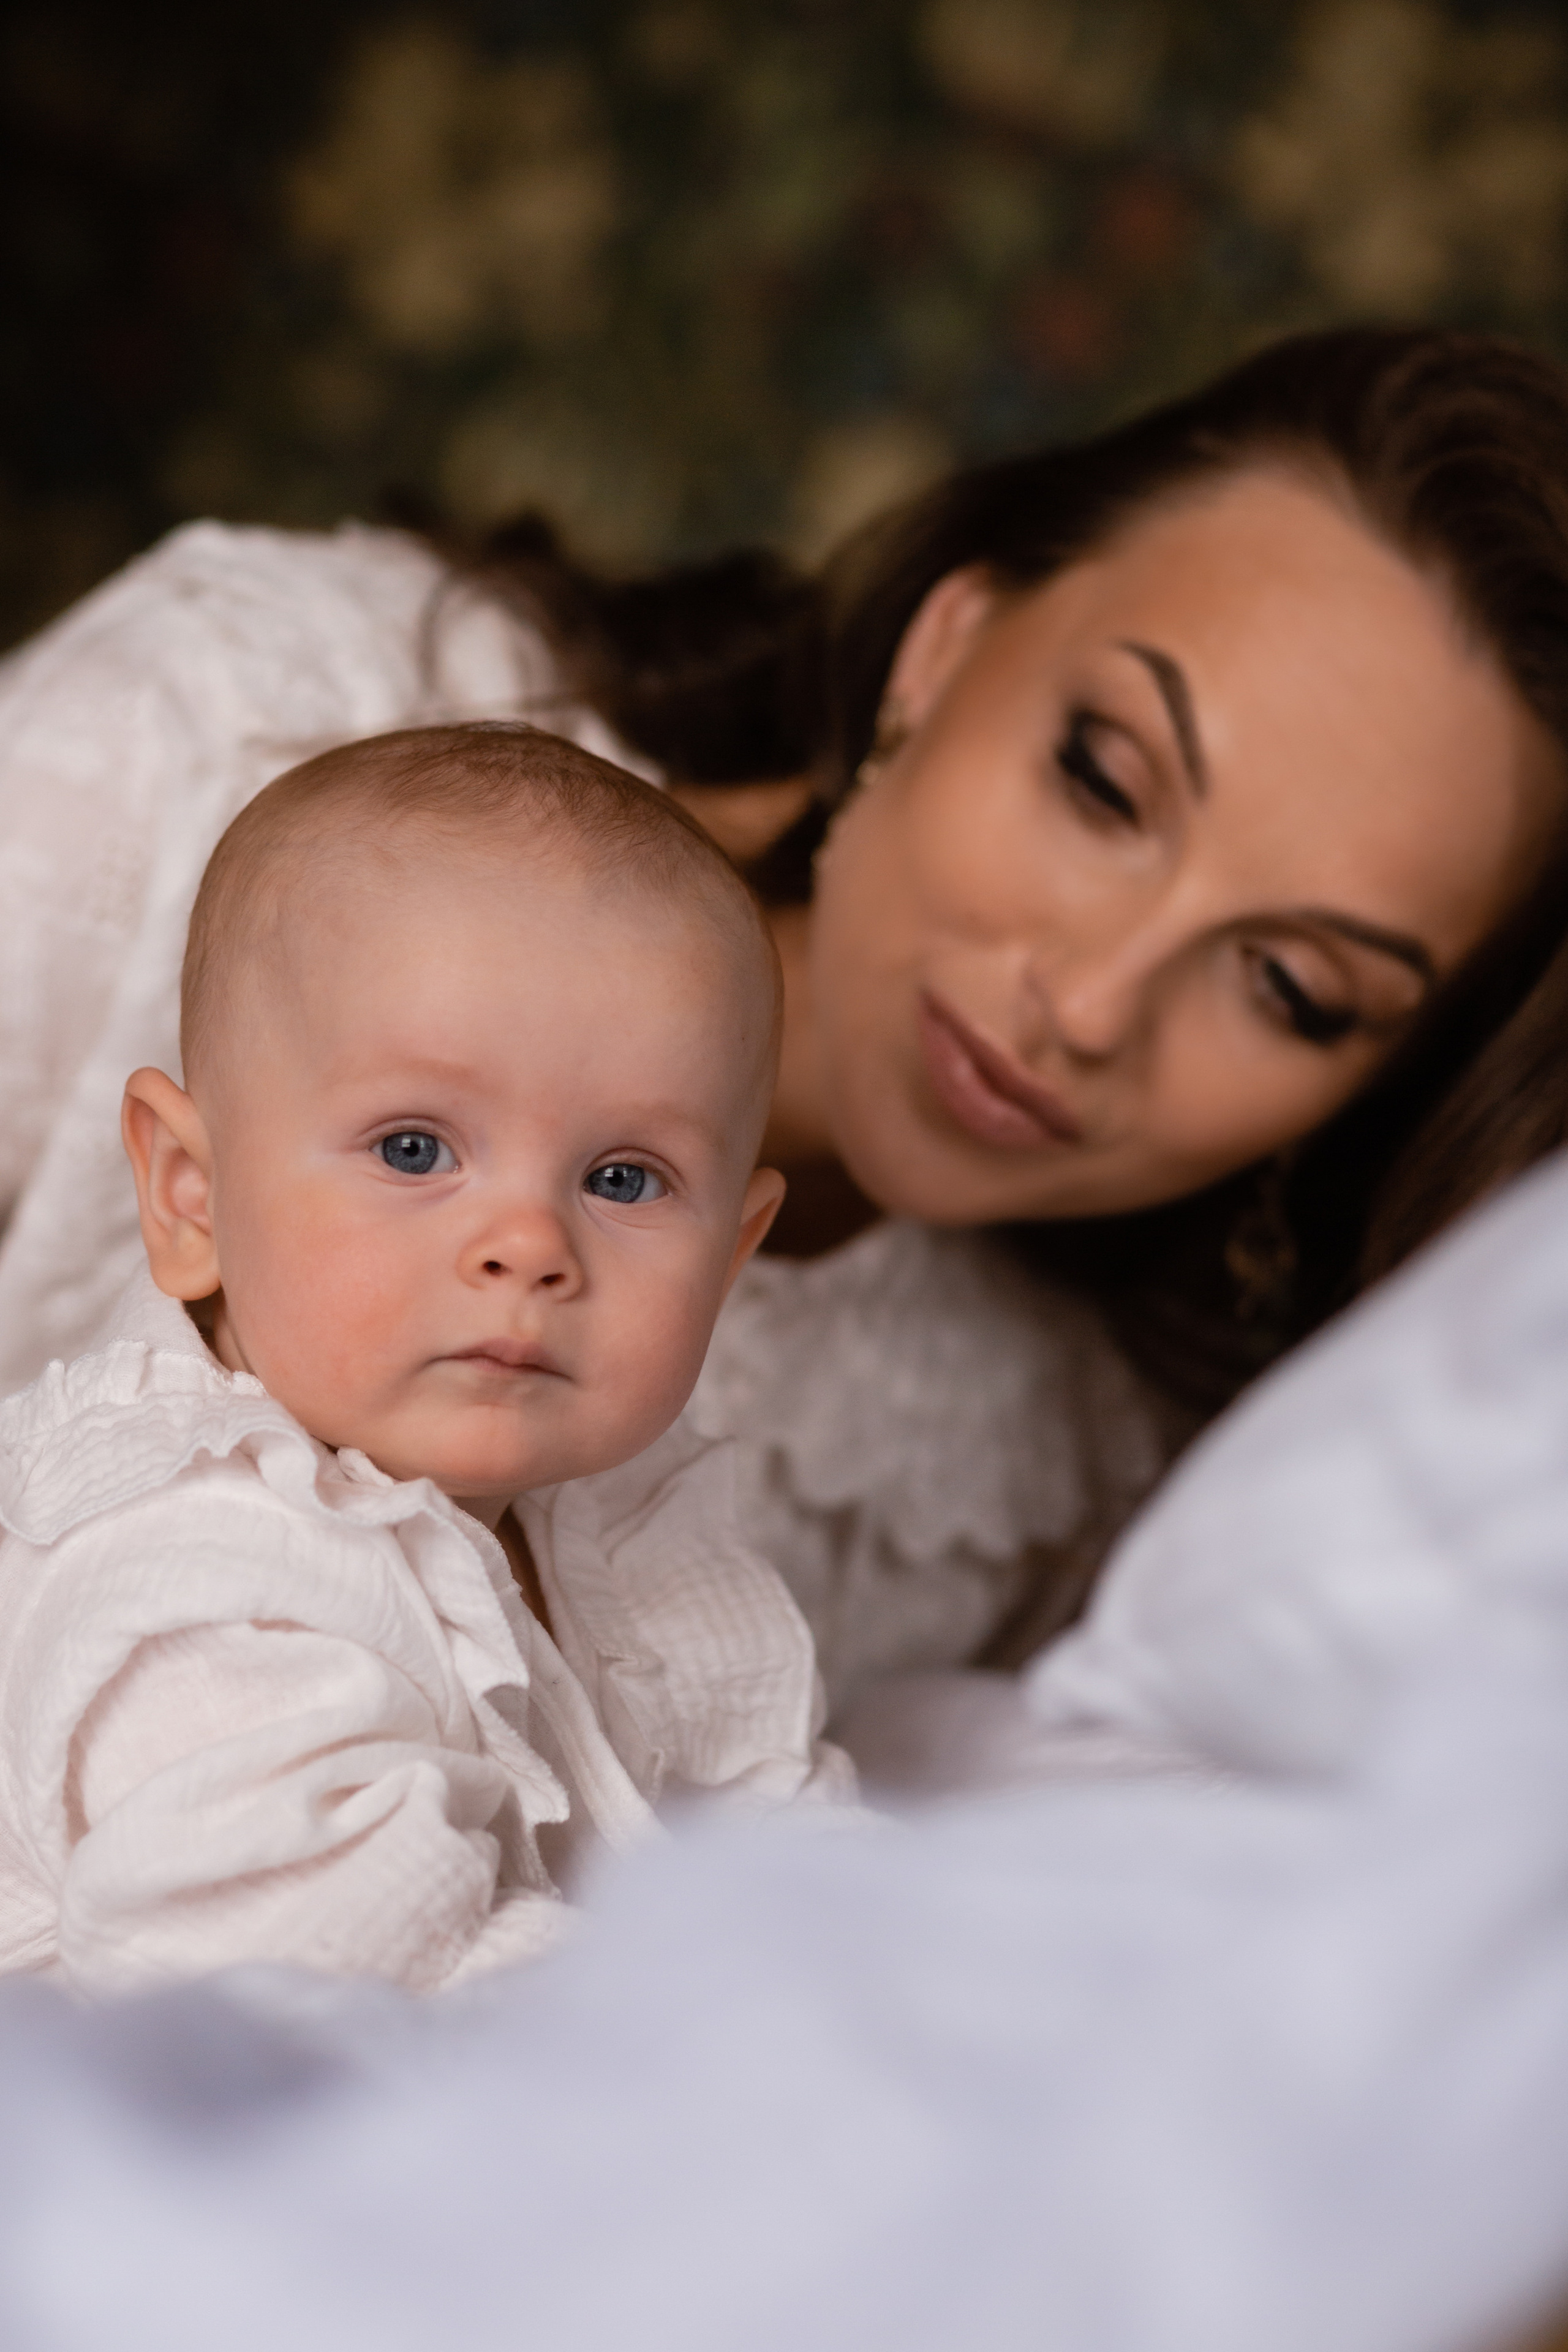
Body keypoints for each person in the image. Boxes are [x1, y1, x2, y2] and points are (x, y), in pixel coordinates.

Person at [3, 325, 1568, 1720]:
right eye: (1101, 780)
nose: (1088, 1006)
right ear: (945, 647)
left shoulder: (1099, 1487)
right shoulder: (236, 721)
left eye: (1289, 989)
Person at [0, 723, 849, 1993]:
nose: (526, 1245)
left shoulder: (625, 1529)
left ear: (729, 1258)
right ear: (192, 1195)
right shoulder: (196, 1567)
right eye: (413, 1150)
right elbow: (350, 1980)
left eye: (623, 1179)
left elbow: (785, 1834)